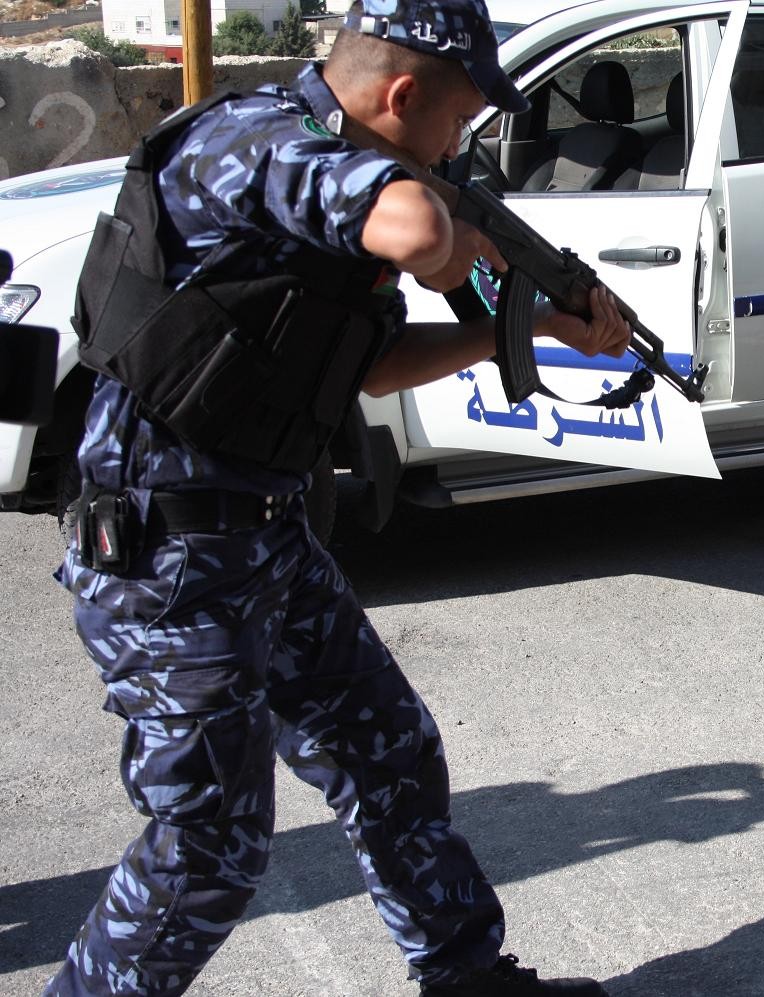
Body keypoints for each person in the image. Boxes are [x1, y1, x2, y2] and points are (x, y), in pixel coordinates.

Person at [48, 1, 626, 994]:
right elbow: (416, 228)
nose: (459, 145)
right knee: (206, 849)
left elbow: (372, 365)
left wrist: (522, 330)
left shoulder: (328, 172)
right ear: (401, 96)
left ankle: (464, 975)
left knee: (389, 753)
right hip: (166, 551)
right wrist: (472, 242)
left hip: (263, 535)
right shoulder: (259, 141)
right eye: (456, 122)